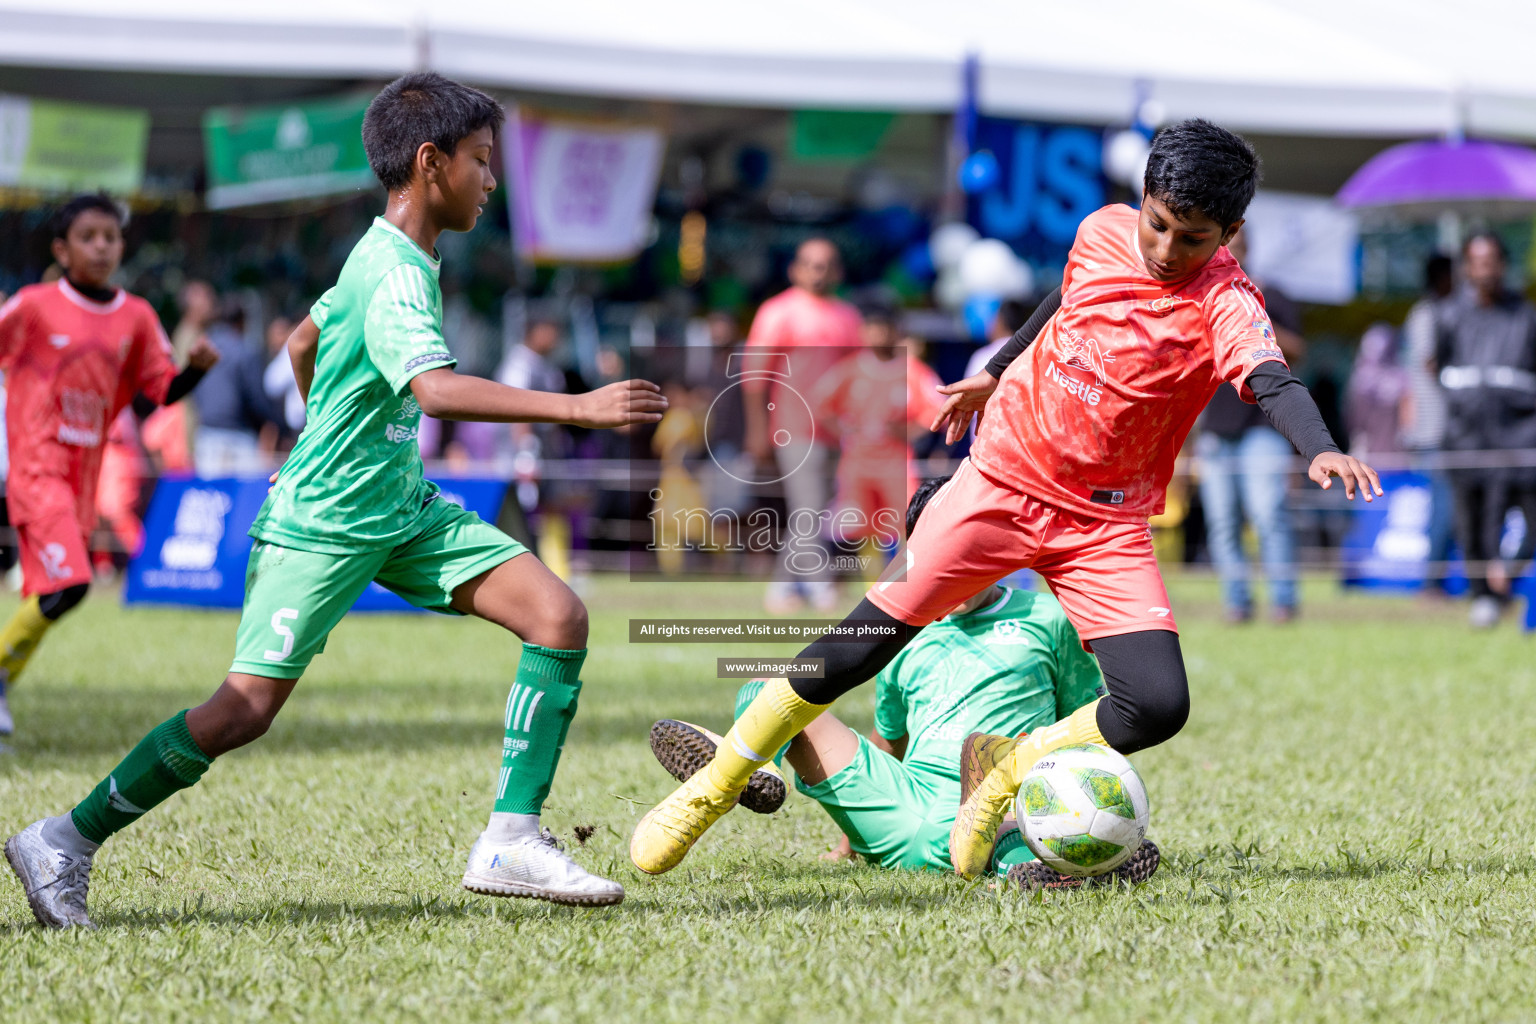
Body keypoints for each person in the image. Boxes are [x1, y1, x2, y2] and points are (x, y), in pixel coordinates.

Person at [629, 119, 1380, 882]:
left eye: (1192, 239)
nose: (1164, 250)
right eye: (1157, 224)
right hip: (1001, 481)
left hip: (1104, 523)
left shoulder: (1227, 299)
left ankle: (1006, 774)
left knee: (1158, 704)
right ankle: (713, 788)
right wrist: (995, 369)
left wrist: (1318, 445)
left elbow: (1271, 377)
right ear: (1142, 199)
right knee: (861, 644)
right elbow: (1063, 299)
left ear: (1230, 233)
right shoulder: (1100, 230)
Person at [4, 73, 667, 929]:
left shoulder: (387, 251)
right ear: (430, 164)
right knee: (242, 709)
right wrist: (576, 406)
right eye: (479, 162)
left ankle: (511, 838)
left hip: (400, 508)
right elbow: (432, 390)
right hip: (323, 523)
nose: (491, 181)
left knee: (557, 617)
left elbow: (305, 339)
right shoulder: (393, 269)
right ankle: (64, 838)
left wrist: (328, 428)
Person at [645, 476, 1160, 890]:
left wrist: (1103, 812)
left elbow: (1084, 728)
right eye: (938, 554)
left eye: (966, 550)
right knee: (767, 687)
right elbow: (888, 743)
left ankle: (1046, 864)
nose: (953, 568)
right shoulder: (893, 630)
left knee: (1009, 821)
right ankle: (755, 771)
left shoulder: (1046, 616)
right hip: (901, 807)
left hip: (993, 810)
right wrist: (851, 838)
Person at [0, 194, 218, 739]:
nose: (101, 246)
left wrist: (193, 372)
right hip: (35, 467)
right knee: (71, 586)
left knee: (53, 592)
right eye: (88, 236)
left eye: (111, 237)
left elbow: (162, 390)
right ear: (62, 249)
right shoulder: (32, 306)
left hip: (85, 476)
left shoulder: (136, 315)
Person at [1193, 224, 1308, 623]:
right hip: (1214, 429)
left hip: (1262, 425)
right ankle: (1237, 603)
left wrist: (1251, 316)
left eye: (1238, 246)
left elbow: (1298, 350)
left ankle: (1283, 601)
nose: (1233, 253)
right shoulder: (1201, 296)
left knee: (1268, 514)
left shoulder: (1269, 295)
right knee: (1221, 522)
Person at [743, 237, 862, 613]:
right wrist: (757, 429)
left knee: (810, 510)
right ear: (795, 269)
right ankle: (821, 588)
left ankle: (783, 589)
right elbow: (754, 377)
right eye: (811, 263)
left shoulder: (847, 317)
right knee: (808, 507)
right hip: (793, 426)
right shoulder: (778, 312)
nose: (818, 271)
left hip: (835, 431)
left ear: (838, 271)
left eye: (825, 264)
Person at [1434, 233, 1536, 629]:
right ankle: (1484, 598)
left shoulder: (1526, 315)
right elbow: (1439, 368)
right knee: (1470, 522)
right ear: (1466, 268)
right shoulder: (1449, 316)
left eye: (1492, 260)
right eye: (1477, 261)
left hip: (1520, 438)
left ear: (1503, 265)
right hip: (1467, 438)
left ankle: (1505, 579)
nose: (1486, 268)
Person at [810, 303, 944, 559]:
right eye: (872, 329)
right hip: (858, 461)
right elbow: (820, 404)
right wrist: (843, 431)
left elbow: (937, 409)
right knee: (861, 525)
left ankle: (904, 582)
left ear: (895, 332)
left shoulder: (912, 371)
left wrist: (909, 431)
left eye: (883, 329)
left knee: (906, 521)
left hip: (896, 463)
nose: (877, 336)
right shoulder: (850, 369)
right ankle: (872, 588)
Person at [1400, 254, 1455, 592]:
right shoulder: (1427, 314)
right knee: (1443, 508)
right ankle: (1432, 583)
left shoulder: (1444, 311)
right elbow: (1429, 363)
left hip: (1452, 428)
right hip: (1434, 428)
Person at [193, 302, 279, 475]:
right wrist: (272, 422)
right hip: (239, 437)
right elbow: (256, 398)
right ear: (242, 321)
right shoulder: (245, 350)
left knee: (213, 497)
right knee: (244, 496)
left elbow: (194, 390)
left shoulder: (203, 349)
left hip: (207, 433)